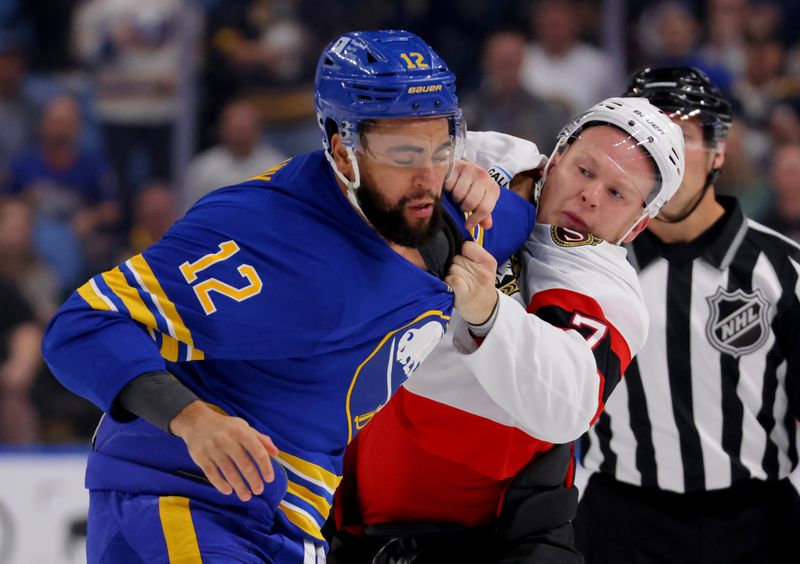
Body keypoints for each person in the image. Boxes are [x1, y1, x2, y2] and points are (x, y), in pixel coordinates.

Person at [41, 30, 537, 563]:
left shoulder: (451, 219)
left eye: (441, 150)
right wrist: (193, 419)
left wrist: (505, 176)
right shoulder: (261, 233)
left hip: (288, 520)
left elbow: (531, 203)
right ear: (344, 151)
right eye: (403, 155)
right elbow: (82, 325)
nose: (427, 178)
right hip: (182, 498)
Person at [328, 95, 686, 564]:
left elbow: (565, 404)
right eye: (584, 170)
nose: (591, 195)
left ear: (637, 226)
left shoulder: (606, 292)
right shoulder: (491, 157)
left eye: (617, 193)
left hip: (490, 539)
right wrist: (436, 173)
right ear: (555, 158)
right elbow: (350, 171)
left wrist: (489, 313)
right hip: (352, 506)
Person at [575, 66, 800, 564]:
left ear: (719, 152)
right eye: (644, 138)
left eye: (681, 136)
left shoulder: (785, 272)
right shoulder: (585, 267)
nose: (664, 154)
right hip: (620, 525)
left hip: (757, 527)